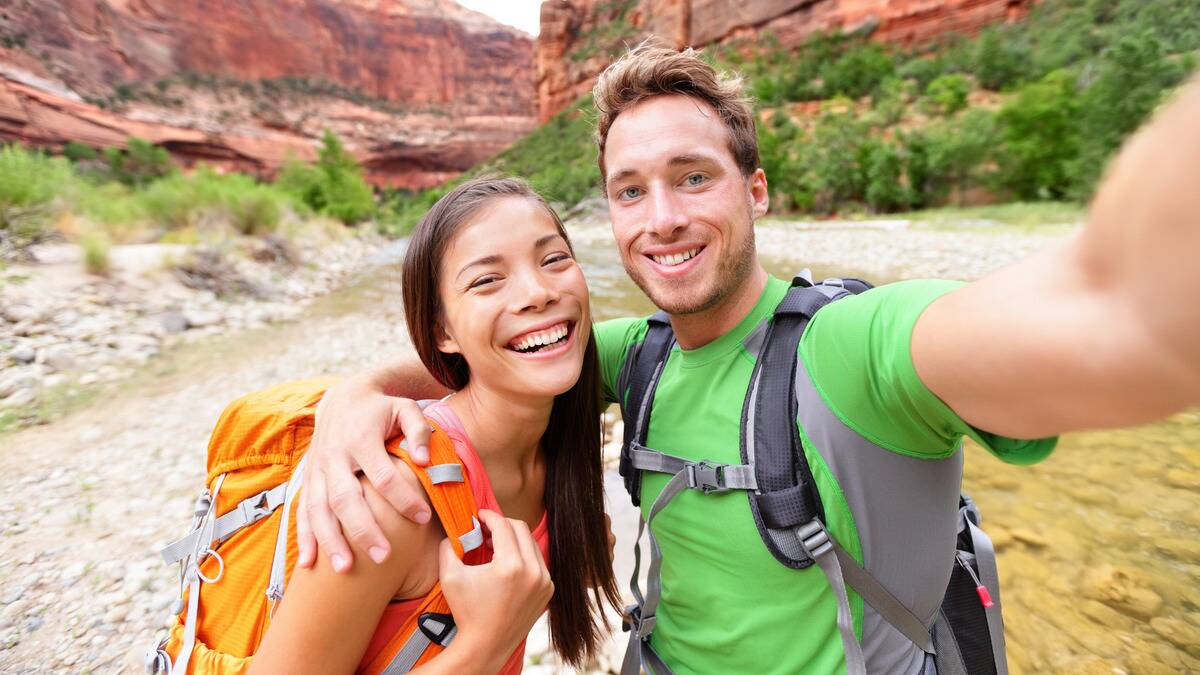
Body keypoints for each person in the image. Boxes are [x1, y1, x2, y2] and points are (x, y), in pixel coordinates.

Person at [296, 44, 1200, 674]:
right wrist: (355, 397)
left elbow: (1104, 315)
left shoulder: (854, 349)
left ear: (755, 189)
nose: (663, 219)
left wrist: (1141, 299)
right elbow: (488, 362)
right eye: (629, 192)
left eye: (694, 177)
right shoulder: (629, 353)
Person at [248, 177, 619, 673]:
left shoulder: (555, 445)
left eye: (553, 259)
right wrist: (485, 643)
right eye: (487, 280)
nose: (538, 292)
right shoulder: (393, 499)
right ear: (443, 331)